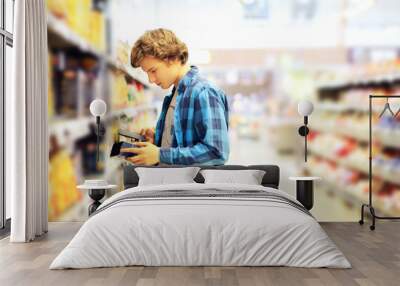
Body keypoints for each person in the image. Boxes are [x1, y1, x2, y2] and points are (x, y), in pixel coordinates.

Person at [121, 28, 229, 166]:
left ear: (171, 58)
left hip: (192, 187)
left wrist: (160, 155)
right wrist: (158, 138)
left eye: (153, 70)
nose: (150, 80)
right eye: (147, 73)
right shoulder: (175, 95)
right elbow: (182, 142)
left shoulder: (203, 92)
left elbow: (216, 152)